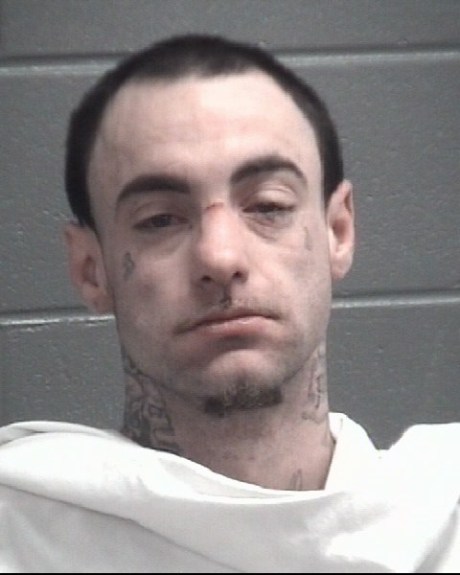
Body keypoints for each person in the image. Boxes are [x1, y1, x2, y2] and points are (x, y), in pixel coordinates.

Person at [0, 34, 458, 573]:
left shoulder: (440, 519)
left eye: (268, 205)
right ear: (90, 269)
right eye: (160, 219)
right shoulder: (20, 534)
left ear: (337, 231)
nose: (220, 257)